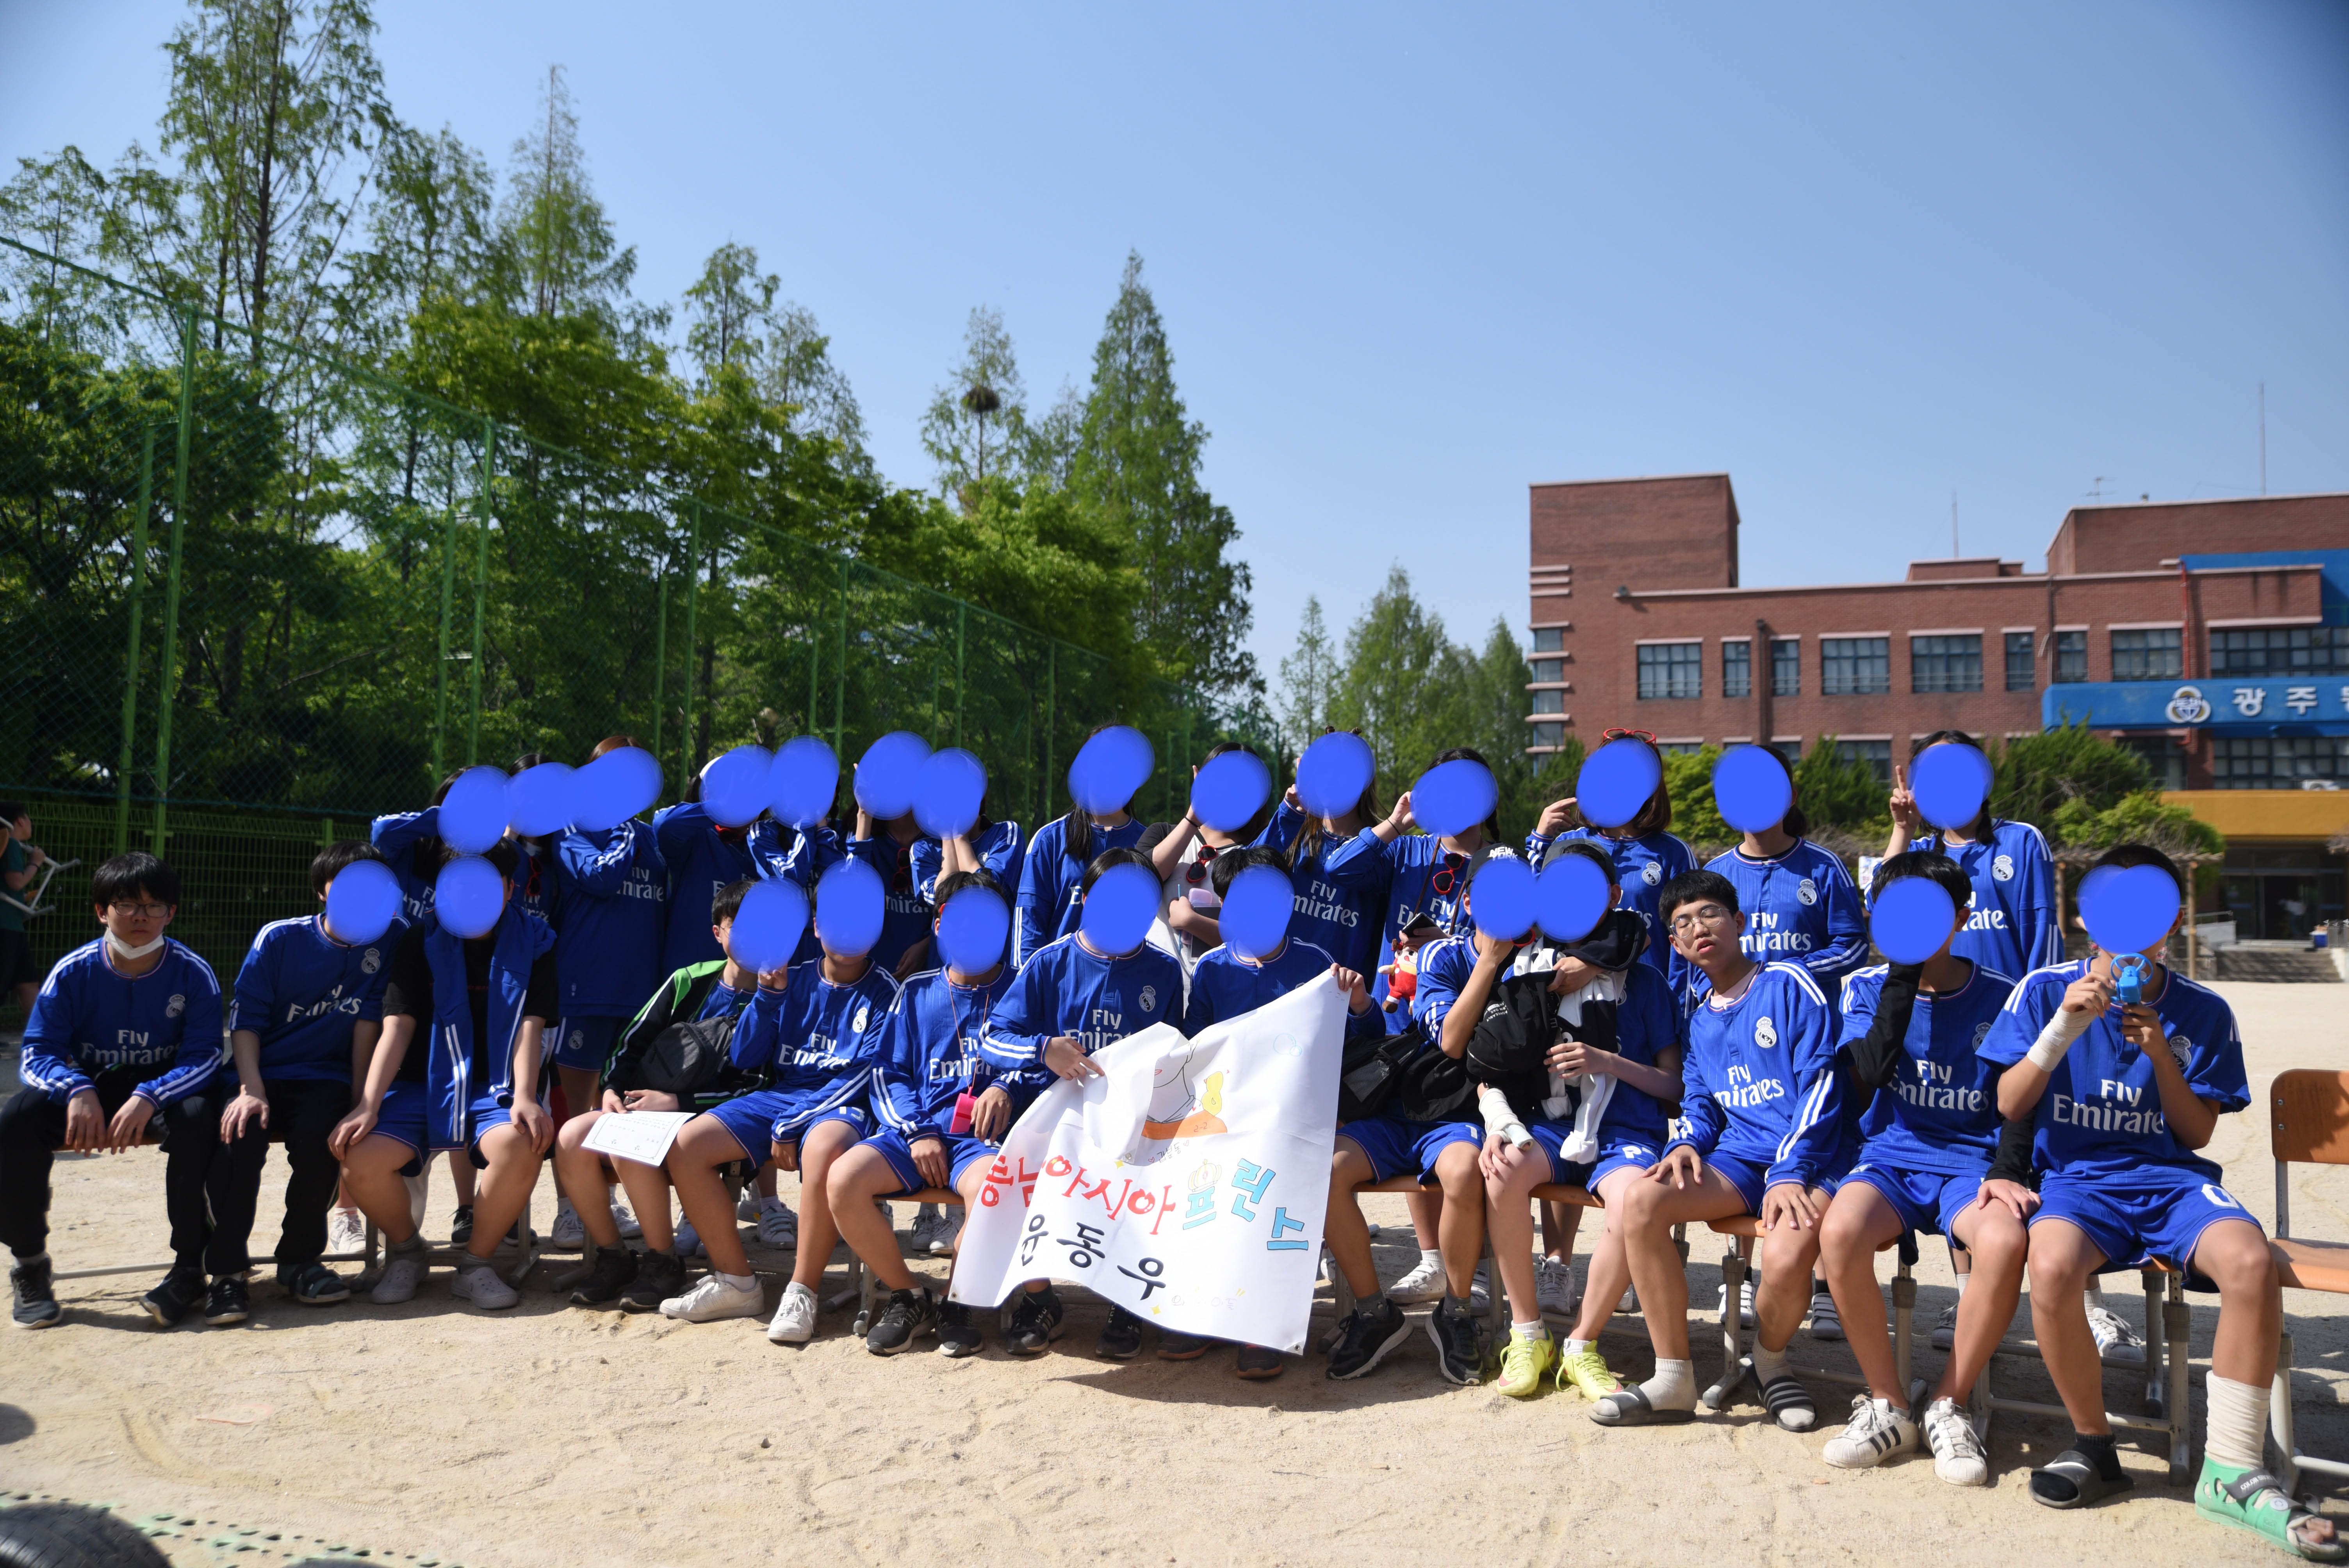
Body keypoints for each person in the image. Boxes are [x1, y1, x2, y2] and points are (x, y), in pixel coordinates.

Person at [1981, 846, 2338, 1560]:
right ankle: (2093, 1444)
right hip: (2079, 1180)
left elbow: (2197, 1132)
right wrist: (2062, 1030)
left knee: (2249, 1260)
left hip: (2171, 1179)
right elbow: (2010, 1103)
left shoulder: (2204, 1009)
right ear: (2084, 917)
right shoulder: (2041, 990)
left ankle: (2232, 1469)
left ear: (2172, 921)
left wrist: (2161, 1058)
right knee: (2049, 1265)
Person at [1588, 868, 1849, 1432]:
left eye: (1709, 913)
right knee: (1641, 1200)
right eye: (1683, 922)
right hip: (1741, 1159)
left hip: (1813, 1159)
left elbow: (1824, 1084)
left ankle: (1771, 1364)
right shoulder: (1699, 1018)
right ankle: (1674, 1377)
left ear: (1739, 922)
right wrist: (1686, 1142)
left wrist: (1791, 1170)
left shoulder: (1788, 982)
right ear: (1676, 945)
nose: (1698, 927)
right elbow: (1701, 1102)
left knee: (1785, 1255)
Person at [1440, 844, 1684, 1401]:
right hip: (1550, 1128)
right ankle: (1529, 1335)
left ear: (1613, 895)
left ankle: (1581, 1344)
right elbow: (1486, 1068)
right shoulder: (1527, 970)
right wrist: (1500, 1121)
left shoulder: (1646, 982)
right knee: (1502, 1168)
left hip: (1624, 1134)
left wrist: (1608, 1062)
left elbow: (1673, 1089)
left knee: (1633, 1201)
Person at [1813, 852, 2026, 1484]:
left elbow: (2022, 1102)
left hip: (1972, 1164)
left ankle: (1950, 1404)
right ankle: (1888, 1404)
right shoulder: (1865, 986)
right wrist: (1903, 972)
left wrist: (2008, 1172)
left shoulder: (2004, 995)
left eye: (1927, 914)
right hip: (1891, 1157)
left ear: (1961, 917)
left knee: (2004, 1239)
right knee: (1839, 1231)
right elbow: (1871, 1070)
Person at [1170, 845, 1382, 1377]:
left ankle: (1259, 1323)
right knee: (1197, 1180)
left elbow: (1365, 1038)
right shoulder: (1212, 968)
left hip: (1296, 1118)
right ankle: (1204, 1310)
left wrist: (1360, 1004)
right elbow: (1195, 1048)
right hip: (1227, 1116)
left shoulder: (1315, 963)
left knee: (1271, 1182)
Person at [5, 852, 237, 1329]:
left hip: (162, 1090)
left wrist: (150, 1095)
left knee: (199, 1117)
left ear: (171, 913)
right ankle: (30, 1263)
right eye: (126, 903)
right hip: (92, 1087)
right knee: (16, 1118)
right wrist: (75, 1087)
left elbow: (204, 1057)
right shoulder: (72, 971)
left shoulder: (193, 972)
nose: (140, 915)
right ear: (101, 911)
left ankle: (189, 1266)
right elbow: (37, 1052)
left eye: (154, 905)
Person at [327, 837, 558, 1310]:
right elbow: (397, 1026)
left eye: (486, 884)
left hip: (493, 1087)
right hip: (422, 1085)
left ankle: (476, 1264)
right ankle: (407, 1252)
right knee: (359, 1157)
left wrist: (526, 1096)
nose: (472, 895)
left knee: (521, 1143)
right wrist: (368, 1104)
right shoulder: (419, 939)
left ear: (509, 888)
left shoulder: (536, 941)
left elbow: (529, 1028)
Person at [654, 898, 899, 1340]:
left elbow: (863, 1075)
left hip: (844, 1105)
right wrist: (767, 999)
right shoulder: (793, 976)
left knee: (824, 1148)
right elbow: (745, 1056)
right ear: (817, 927)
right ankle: (736, 1282)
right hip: (782, 1097)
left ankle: (802, 1290)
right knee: (687, 1143)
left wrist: (792, 1123)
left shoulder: (887, 991)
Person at [978, 846, 1185, 1359]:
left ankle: (1126, 1301)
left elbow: (1179, 1054)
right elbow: (992, 1038)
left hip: (1131, 1130)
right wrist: (1043, 1049)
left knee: (1156, 1173)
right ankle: (1039, 1300)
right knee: (1019, 1170)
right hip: (1058, 1127)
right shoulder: (1050, 962)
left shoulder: (1163, 971)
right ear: (1087, 898)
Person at [827, 868, 1037, 1357]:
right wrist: (918, 1131)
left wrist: (1005, 1085)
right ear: (940, 924)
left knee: (992, 1189)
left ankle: (956, 1303)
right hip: (916, 1132)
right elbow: (888, 1072)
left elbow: (1042, 1064)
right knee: (843, 1179)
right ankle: (909, 1296)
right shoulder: (916, 991)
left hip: (983, 1143)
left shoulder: (1023, 988)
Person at [1699, 746, 1868, 1342]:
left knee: (1813, 1146)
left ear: (1789, 795)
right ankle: (1740, 1279)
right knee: (1739, 1142)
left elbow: (1854, 946)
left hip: (1810, 1036)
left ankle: (1823, 1289)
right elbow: (1698, 961)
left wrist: (1787, 973)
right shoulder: (1718, 872)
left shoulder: (1823, 867)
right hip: (1741, 1043)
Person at [556, 878, 764, 1310]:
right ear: (718, 932)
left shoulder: (776, 997)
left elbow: (764, 1085)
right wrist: (612, 1089)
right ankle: (614, 1257)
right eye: (738, 925)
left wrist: (679, 1104)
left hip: (712, 1121)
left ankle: (663, 1261)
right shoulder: (689, 980)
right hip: (648, 1106)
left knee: (628, 1143)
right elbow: (631, 1043)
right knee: (572, 1137)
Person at [216, 842, 400, 1313]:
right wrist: (251, 1090)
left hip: (325, 1077)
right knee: (240, 1138)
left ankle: (299, 1261)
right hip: (261, 1072)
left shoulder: (391, 937)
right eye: (347, 884)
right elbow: (246, 1021)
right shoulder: (279, 938)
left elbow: (367, 1024)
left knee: (325, 1138)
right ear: (322, 891)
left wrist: (361, 1102)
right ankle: (227, 1271)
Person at [546, 737, 668, 1242]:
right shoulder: (572, 830)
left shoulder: (650, 835)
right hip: (587, 989)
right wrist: (623, 827)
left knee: (625, 1105)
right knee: (577, 1105)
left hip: (641, 994)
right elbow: (601, 877)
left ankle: (614, 1203)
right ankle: (570, 1209)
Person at [903, 809, 1025, 1257]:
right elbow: (943, 892)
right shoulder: (923, 847)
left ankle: (957, 1213)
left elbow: (987, 885)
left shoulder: (1005, 833)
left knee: (979, 1080)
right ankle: (929, 1213)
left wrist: (956, 829)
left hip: (989, 976)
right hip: (947, 976)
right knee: (932, 1075)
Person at [1526, 731, 1695, 978]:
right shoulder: (1568, 844)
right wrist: (1540, 842)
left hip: (1647, 995)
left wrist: (1673, 1000)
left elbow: (1688, 942)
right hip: (1576, 993)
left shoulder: (1673, 852)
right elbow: (1537, 913)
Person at [1012, 727, 1148, 967]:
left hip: (1126, 984)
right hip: (1059, 984)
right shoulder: (1049, 840)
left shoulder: (1148, 843)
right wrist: (1033, 983)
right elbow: (1029, 931)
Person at [0, 803, 50, 1018]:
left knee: (28, 982)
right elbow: (16, 882)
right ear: (20, 821)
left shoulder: (9, 844)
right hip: (5, 926)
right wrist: (36, 863)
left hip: (13, 925)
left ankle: (41, 1032)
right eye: (28, 818)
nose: (30, 823)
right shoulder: (11, 844)